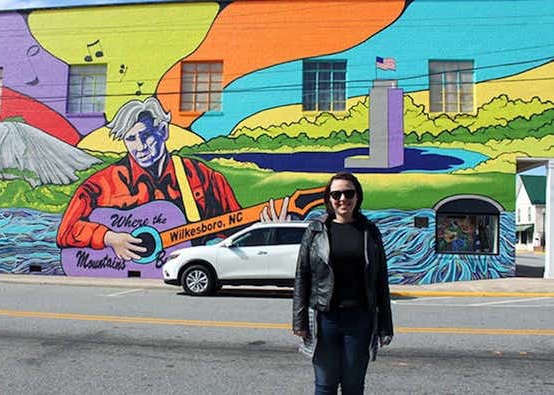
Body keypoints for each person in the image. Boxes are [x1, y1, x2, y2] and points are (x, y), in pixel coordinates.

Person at [57, 96, 289, 261]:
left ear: (163, 131)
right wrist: (109, 237)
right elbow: (66, 231)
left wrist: (268, 227)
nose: (140, 147)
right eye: (131, 139)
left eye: (146, 135)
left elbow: (234, 232)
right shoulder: (101, 184)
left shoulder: (204, 178)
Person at [292, 172, 393, 395]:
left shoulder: (369, 231)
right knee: (325, 385)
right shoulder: (316, 231)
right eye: (336, 194)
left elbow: (380, 281)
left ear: (357, 197)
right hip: (324, 318)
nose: (342, 199)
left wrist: (386, 324)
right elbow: (302, 275)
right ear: (328, 198)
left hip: (360, 319)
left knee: (353, 386)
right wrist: (299, 321)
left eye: (349, 193)